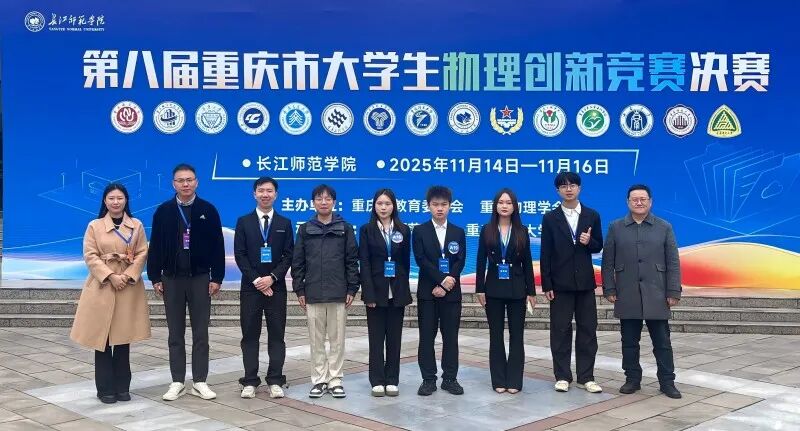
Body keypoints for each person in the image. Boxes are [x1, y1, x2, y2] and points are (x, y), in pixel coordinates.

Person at [147, 163, 225, 401]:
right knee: (175, 333)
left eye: (189, 180)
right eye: (180, 180)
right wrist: (155, 276)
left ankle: (200, 381)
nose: (185, 184)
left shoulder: (208, 210)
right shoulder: (163, 211)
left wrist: (217, 277)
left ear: (197, 182)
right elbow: (155, 245)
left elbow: (218, 245)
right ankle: (177, 381)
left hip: (200, 278)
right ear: (174, 184)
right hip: (172, 279)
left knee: (201, 332)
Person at [71, 183, 151, 404]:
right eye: (111, 198)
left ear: (126, 200)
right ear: (105, 201)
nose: (116, 202)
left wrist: (128, 275)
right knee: (103, 339)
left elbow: (142, 252)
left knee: (123, 339)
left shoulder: (136, 225)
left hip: (128, 286)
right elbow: (90, 255)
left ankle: (123, 387)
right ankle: (105, 388)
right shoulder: (94, 226)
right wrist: (110, 276)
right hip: (103, 285)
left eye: (120, 198)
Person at [602, 184, 682, 399]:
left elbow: (673, 262)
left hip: (657, 292)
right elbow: (608, 262)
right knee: (629, 341)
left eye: (643, 199)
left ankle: (667, 382)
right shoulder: (616, 227)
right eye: (634, 199)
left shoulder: (664, 227)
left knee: (662, 342)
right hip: (626, 291)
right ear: (628, 202)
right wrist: (609, 287)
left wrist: (673, 291)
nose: (639, 202)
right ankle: (632, 379)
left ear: (650, 202)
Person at [292, 184, 359, 399]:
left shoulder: (345, 228)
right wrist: (299, 289)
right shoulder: (305, 229)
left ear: (334, 202)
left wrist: (352, 287)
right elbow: (298, 262)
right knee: (316, 340)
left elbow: (351, 260)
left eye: (328, 198)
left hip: (339, 292)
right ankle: (319, 380)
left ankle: (336, 379)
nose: (323, 202)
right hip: (313, 292)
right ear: (313, 203)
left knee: (337, 340)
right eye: (319, 198)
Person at [540, 172, 604, 394]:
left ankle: (587, 377)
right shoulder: (550, 218)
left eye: (572, 185)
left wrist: (589, 241)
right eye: (564, 186)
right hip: (560, 284)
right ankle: (562, 376)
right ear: (557, 190)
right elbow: (545, 252)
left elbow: (598, 245)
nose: (568, 189)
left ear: (579, 188)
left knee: (588, 330)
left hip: (585, 283)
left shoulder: (592, 215)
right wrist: (547, 284)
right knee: (560, 330)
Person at [234, 177, 294, 399]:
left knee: (277, 335)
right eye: (261, 191)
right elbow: (240, 255)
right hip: (251, 289)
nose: (265, 194)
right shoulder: (244, 222)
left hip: (276, 289)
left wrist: (272, 278)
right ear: (254, 194)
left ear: (276, 195)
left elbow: (289, 255)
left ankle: (275, 379)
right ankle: (250, 380)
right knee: (250, 335)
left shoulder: (284, 223)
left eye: (269, 191)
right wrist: (258, 280)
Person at [475, 188, 536, 394]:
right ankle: (499, 379)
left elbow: (528, 263)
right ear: (495, 206)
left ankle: (515, 380)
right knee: (496, 335)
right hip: (493, 289)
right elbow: (480, 261)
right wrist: (479, 289)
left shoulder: (522, 230)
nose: (504, 206)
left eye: (508, 203)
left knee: (517, 335)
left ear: (514, 207)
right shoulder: (487, 230)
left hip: (517, 289)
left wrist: (531, 292)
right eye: (501, 202)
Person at [359, 188, 413, 397]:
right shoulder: (366, 230)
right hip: (376, 292)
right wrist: (368, 294)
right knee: (376, 339)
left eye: (387, 204)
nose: (383, 207)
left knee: (394, 339)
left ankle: (392, 379)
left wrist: (404, 290)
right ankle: (376, 380)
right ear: (374, 206)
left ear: (394, 206)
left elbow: (405, 263)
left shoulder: (403, 230)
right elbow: (364, 262)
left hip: (397, 292)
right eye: (380, 203)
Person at [413, 185, 467, 396]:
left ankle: (450, 379)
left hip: (451, 294)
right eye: (435, 204)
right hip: (428, 293)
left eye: (444, 204)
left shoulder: (458, 232)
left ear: (450, 206)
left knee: (450, 337)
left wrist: (446, 284)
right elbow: (421, 260)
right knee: (427, 337)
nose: (439, 208)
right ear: (428, 206)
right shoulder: (420, 231)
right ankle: (428, 379)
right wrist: (441, 280)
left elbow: (460, 260)